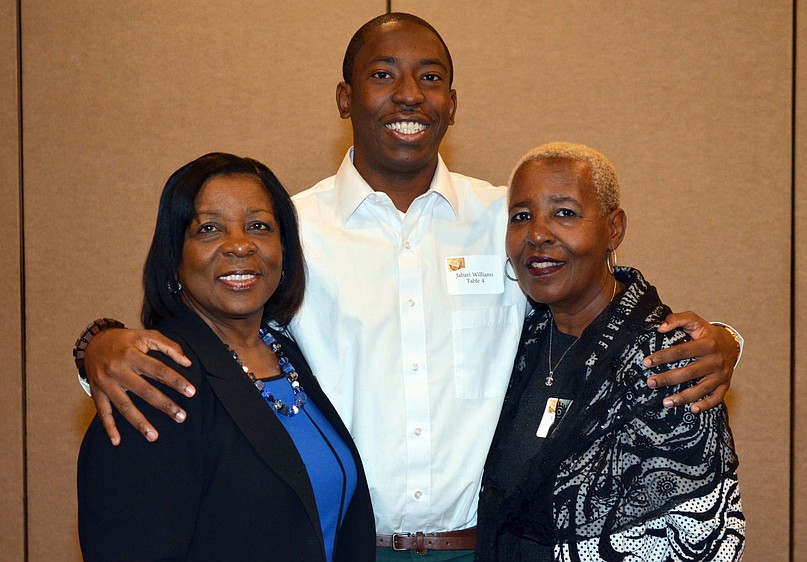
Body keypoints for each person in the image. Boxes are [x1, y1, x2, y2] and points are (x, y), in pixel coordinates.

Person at [73, 14, 742, 560]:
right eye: (382, 75)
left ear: (452, 102)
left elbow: (598, 301)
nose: (408, 95)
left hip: (480, 548)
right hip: (349, 547)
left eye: (430, 78)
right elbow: (222, 340)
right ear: (345, 97)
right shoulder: (287, 231)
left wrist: (722, 340)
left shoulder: (505, 218)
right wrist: (98, 348)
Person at [76, 153, 375, 561]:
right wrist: (97, 342)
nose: (239, 245)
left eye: (258, 226)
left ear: (284, 249)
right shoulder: (156, 382)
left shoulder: (286, 353)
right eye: (209, 229)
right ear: (175, 257)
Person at [475, 142, 745, 561]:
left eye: (564, 213)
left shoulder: (667, 362)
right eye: (521, 216)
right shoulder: (514, 337)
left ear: (613, 229)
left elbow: (703, 540)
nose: (538, 234)